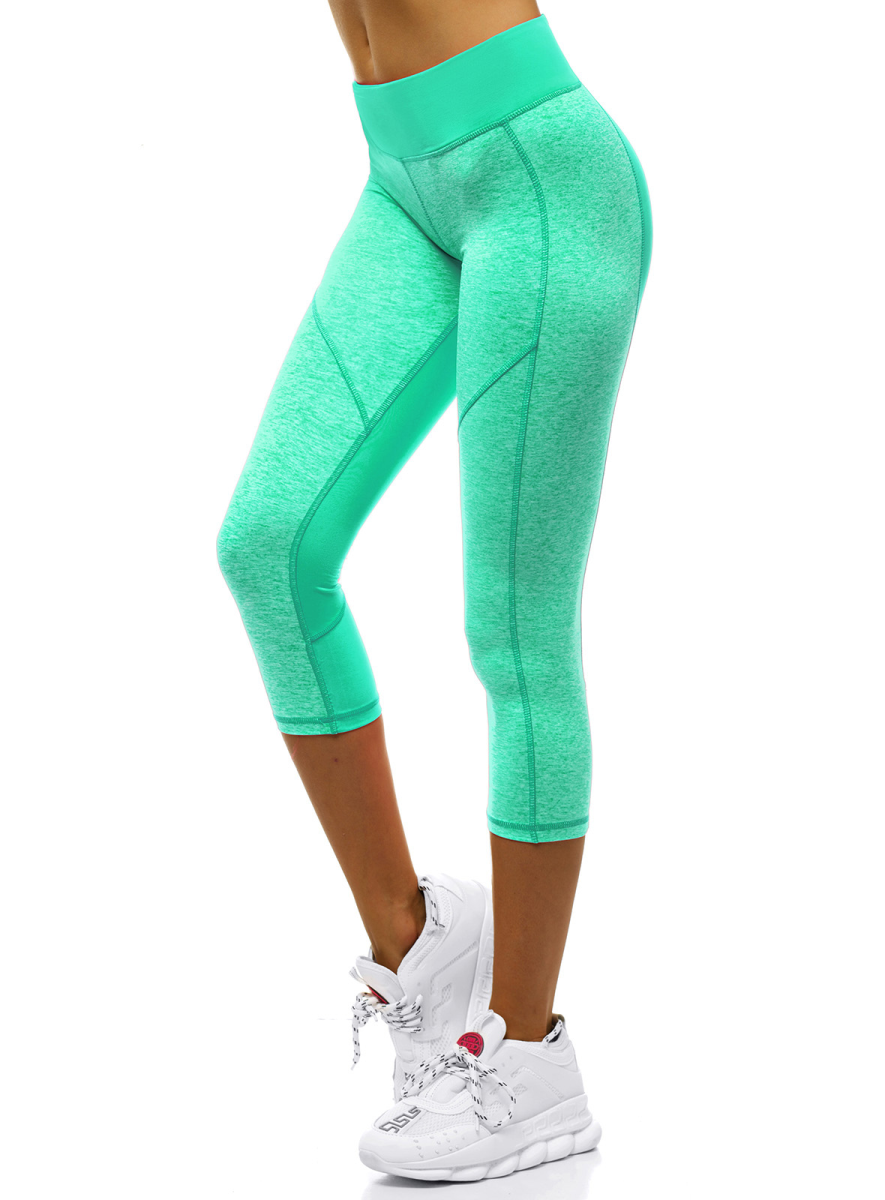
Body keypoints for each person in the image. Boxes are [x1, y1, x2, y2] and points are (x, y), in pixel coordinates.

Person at [217, 0, 651, 1182]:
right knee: (269, 547)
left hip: (542, 179)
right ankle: (416, 945)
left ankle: (527, 1056)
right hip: (403, 177)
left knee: (516, 632)